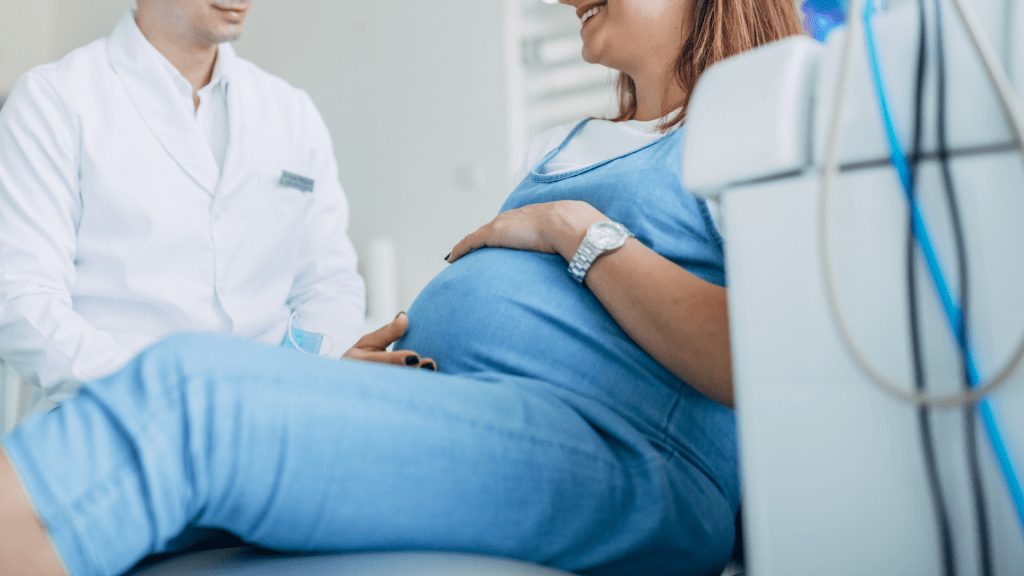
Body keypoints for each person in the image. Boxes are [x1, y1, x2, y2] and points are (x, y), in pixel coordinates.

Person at [0, 1, 804, 575]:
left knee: (190, 396)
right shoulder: (58, 100)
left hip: (621, 450)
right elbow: (21, 304)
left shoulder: (749, 134)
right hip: (471, 408)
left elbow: (759, 359)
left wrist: (571, 229)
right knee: (175, 438)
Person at [0, 0, 369, 406]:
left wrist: (298, 376)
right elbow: (20, 296)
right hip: (113, 413)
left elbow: (328, 282)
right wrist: (173, 394)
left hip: (272, 414)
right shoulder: (54, 100)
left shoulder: (291, 111)